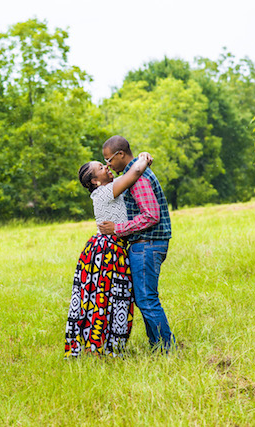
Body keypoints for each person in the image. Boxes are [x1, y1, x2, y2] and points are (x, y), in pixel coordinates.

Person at [64, 152, 153, 358]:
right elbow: (135, 172)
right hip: (107, 251)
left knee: (107, 297)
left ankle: (100, 345)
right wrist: (144, 158)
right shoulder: (104, 193)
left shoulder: (109, 190)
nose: (107, 167)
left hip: (110, 248)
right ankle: (98, 347)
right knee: (106, 297)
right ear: (95, 181)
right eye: (101, 168)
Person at [97, 135, 175, 352]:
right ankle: (157, 346)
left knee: (147, 300)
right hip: (147, 244)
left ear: (120, 154)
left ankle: (167, 349)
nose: (108, 164)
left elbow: (151, 215)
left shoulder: (138, 178)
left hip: (147, 244)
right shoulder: (134, 172)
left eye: (109, 159)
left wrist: (117, 229)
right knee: (145, 299)